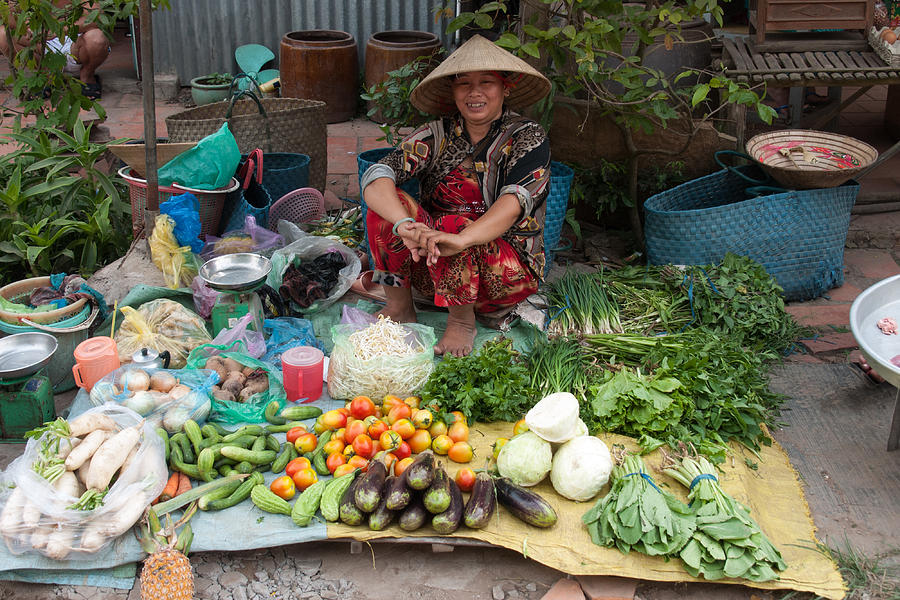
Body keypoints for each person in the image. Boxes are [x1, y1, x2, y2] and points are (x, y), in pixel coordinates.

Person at [360, 34, 552, 357]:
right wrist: (405, 224)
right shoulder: (438, 134)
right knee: (384, 209)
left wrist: (461, 239)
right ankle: (399, 307)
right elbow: (377, 176)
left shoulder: (527, 137)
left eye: (487, 82)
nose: (475, 93)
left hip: (505, 272)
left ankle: (462, 322)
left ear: (505, 88)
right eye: (464, 84)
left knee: (451, 225)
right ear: (453, 91)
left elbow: (513, 203)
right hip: (436, 260)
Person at [0, 1, 110, 99]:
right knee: (3, 35)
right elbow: (7, 14)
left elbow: (98, 17)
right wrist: (27, 28)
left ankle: (87, 75)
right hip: (39, 43)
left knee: (97, 38)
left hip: (76, 42)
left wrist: (60, 30)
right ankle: (45, 76)